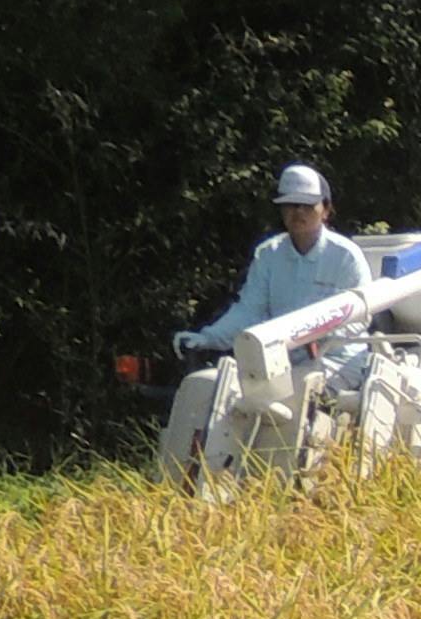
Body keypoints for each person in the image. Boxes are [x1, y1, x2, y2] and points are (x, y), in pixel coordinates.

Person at [157, 163, 378, 483]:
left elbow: (360, 317)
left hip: (338, 359)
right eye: (290, 205)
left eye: (306, 205)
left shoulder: (346, 256)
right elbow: (249, 312)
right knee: (226, 389)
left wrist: (316, 337)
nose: (297, 212)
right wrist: (207, 339)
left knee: (295, 393)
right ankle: (214, 478)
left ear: (326, 210)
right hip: (282, 359)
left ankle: (290, 480)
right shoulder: (269, 255)